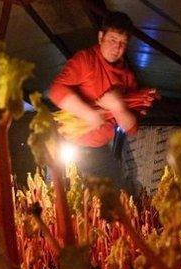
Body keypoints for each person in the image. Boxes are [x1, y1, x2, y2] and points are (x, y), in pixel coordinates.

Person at [48, 11, 155, 194]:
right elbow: (56, 91)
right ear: (100, 37)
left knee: (118, 198)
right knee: (59, 199)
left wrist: (118, 107)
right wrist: (88, 114)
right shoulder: (86, 60)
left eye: (123, 43)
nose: (117, 48)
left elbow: (132, 128)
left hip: (98, 151)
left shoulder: (128, 78)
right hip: (67, 145)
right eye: (113, 40)